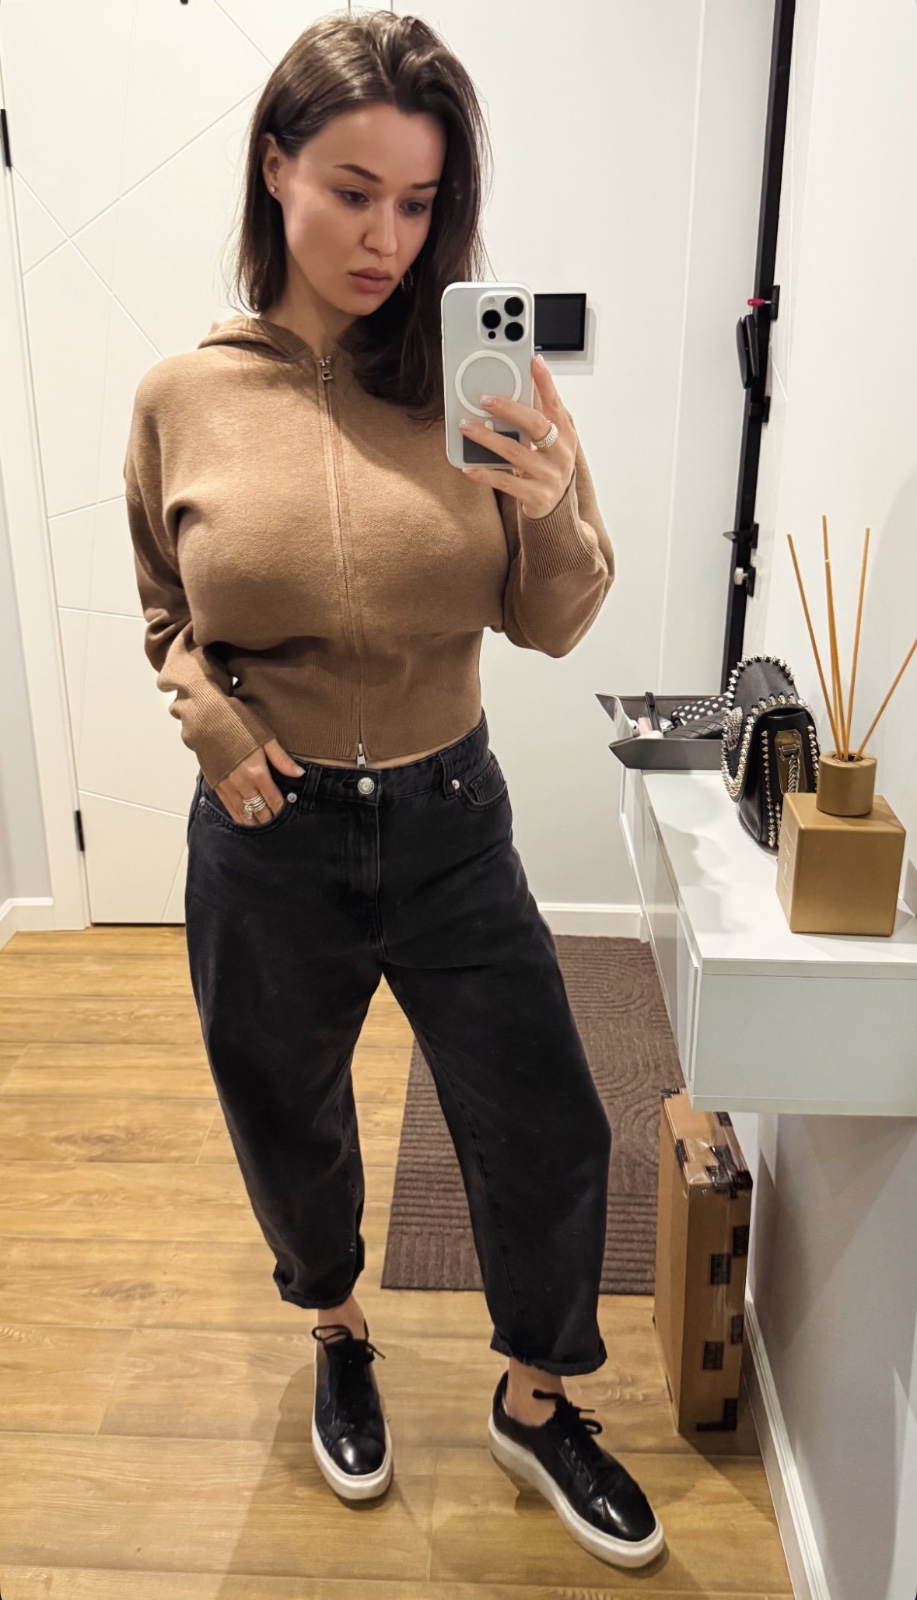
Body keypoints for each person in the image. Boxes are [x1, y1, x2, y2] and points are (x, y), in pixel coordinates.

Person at [123, 9, 663, 1572]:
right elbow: (164, 612)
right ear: (274, 167)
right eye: (353, 191)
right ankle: (337, 1330)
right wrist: (210, 725)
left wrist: (550, 504)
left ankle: (535, 1399)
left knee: (548, 1119)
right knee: (282, 1109)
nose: (385, 237)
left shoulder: (472, 379)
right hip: (266, 829)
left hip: (448, 821)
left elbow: (552, 619)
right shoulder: (180, 395)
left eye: (419, 203)